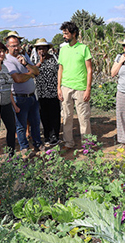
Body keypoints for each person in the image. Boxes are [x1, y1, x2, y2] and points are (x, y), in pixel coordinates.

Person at [3, 31, 43, 155]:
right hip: (19, 98)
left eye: (17, 45)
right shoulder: (7, 60)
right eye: (13, 46)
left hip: (31, 96)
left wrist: (26, 64)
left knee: (35, 123)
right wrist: (30, 74)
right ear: (7, 47)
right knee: (20, 126)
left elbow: (37, 71)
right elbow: (17, 79)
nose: (16, 48)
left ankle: (37, 144)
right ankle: (24, 147)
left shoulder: (24, 56)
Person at [57, 21, 93, 150]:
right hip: (65, 87)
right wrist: (59, 88)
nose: (64, 36)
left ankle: (87, 144)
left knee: (83, 117)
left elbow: (89, 70)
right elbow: (60, 69)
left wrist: (88, 88)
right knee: (66, 117)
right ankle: (68, 143)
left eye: (66, 34)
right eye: (63, 34)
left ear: (74, 33)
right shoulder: (62, 49)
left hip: (80, 88)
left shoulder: (84, 48)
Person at [32, 38, 60, 146]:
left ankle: (55, 136)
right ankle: (47, 136)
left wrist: (59, 89)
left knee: (54, 115)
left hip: (53, 92)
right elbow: (33, 73)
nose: (41, 51)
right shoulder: (34, 60)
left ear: (47, 49)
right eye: (39, 48)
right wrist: (40, 62)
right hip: (41, 93)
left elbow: (59, 73)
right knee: (44, 116)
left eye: (43, 48)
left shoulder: (54, 58)